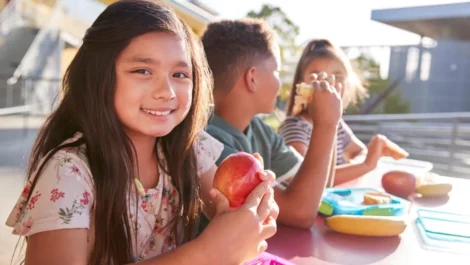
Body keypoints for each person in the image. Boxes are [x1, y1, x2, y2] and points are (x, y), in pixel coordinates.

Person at [5, 1, 278, 264]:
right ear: (99, 77)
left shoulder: (188, 148)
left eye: (180, 74)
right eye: (143, 70)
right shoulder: (68, 172)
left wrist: (251, 210)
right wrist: (204, 254)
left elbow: (225, 211)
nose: (166, 92)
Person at [201, 19, 342, 229]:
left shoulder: (259, 130)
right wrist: (326, 125)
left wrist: (329, 120)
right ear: (252, 78)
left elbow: (319, 188)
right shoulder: (209, 141)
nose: (280, 82)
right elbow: (300, 213)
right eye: (276, 72)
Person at [279, 39, 404, 186]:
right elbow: (309, 179)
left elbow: (359, 152)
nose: (328, 85)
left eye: (337, 77)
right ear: (301, 85)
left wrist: (363, 161)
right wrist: (366, 166)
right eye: (317, 77)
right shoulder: (295, 127)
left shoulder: (338, 125)